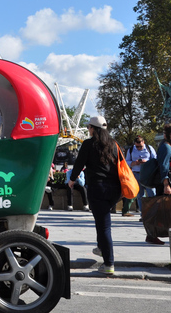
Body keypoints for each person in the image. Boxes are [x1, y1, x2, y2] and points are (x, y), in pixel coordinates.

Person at [68, 115, 120, 275]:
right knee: (102, 221)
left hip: (98, 188)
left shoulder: (89, 144)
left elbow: (79, 163)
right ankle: (100, 247)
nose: (88, 129)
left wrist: (72, 179)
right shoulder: (114, 144)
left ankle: (109, 263)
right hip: (115, 189)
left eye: (89, 127)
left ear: (93, 129)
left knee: (104, 226)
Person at [121, 135, 157, 216]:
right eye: (137, 147)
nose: (139, 148)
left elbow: (155, 160)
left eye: (140, 146)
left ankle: (154, 213)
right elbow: (126, 162)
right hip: (136, 174)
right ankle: (143, 214)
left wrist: (146, 161)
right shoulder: (131, 150)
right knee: (140, 195)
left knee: (152, 194)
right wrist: (134, 163)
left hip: (148, 174)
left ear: (143, 142)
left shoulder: (149, 148)